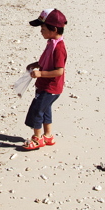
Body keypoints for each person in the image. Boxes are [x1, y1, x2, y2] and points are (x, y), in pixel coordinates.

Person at [22, 8, 68, 151]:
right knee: (46, 109)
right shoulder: (52, 42)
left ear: (53, 29)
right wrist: (36, 64)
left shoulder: (59, 48)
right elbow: (47, 61)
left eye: (42, 28)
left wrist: (41, 74)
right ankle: (48, 135)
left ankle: (37, 139)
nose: (40, 31)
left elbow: (59, 70)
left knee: (37, 111)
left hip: (50, 87)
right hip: (47, 86)